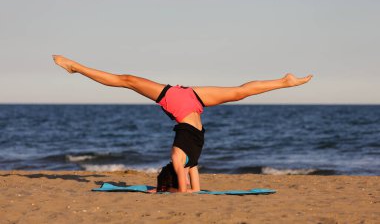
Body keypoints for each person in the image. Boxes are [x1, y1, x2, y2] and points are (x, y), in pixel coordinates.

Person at [52, 55, 312, 193]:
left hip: (184, 106)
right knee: (239, 92)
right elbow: (190, 192)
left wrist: (164, 190)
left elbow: (191, 189)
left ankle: (77, 67)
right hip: (189, 102)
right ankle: (284, 82)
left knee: (127, 80)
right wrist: (171, 190)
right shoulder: (183, 161)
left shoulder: (188, 161)